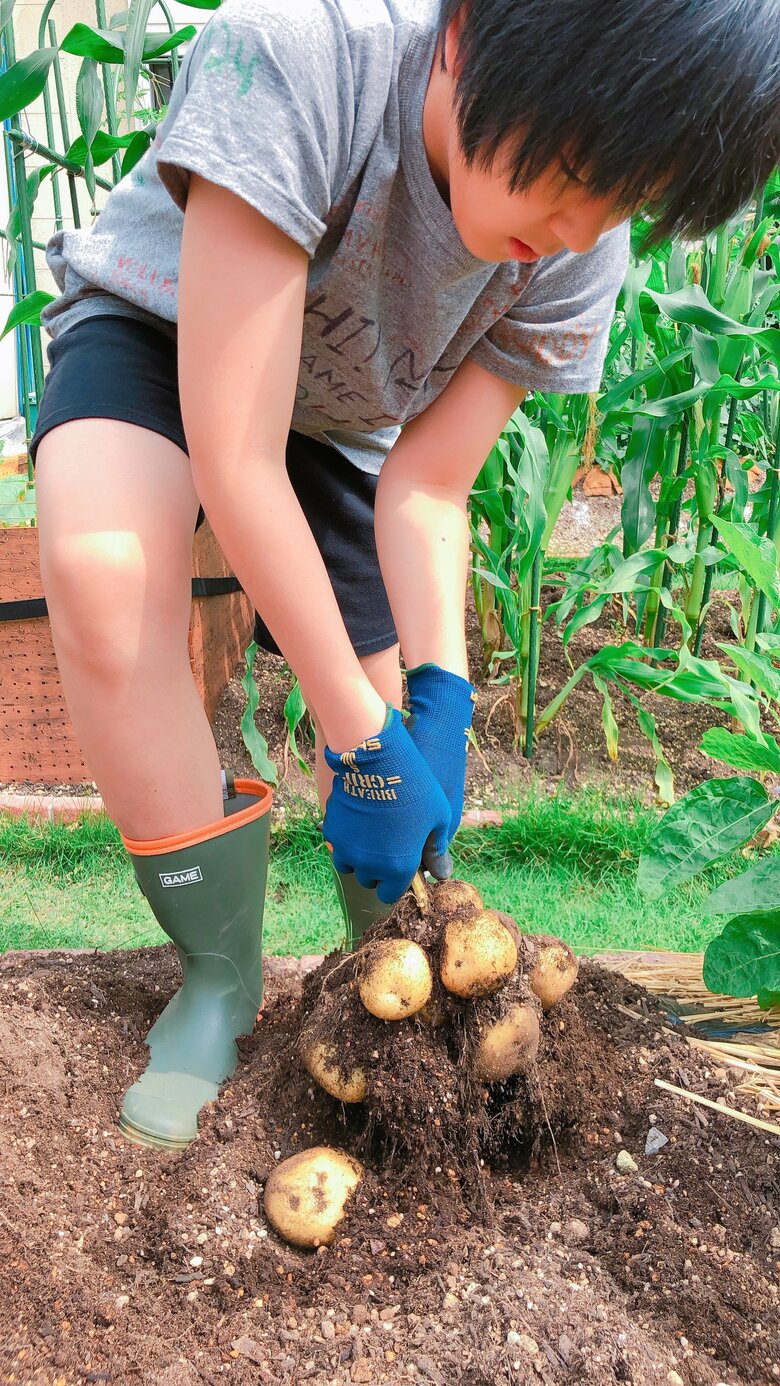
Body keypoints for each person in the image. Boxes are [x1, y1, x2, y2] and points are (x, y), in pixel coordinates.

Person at [30, 0, 780, 1150]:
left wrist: (434, 701)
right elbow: (235, 455)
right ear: (472, 31)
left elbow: (428, 487)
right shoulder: (295, 55)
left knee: (388, 769)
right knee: (103, 570)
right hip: (161, 332)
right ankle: (220, 981)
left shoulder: (580, 247)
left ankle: (377, 1006)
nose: (580, 228)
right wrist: (356, 731)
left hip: (346, 424)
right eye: (576, 169)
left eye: (622, 200)